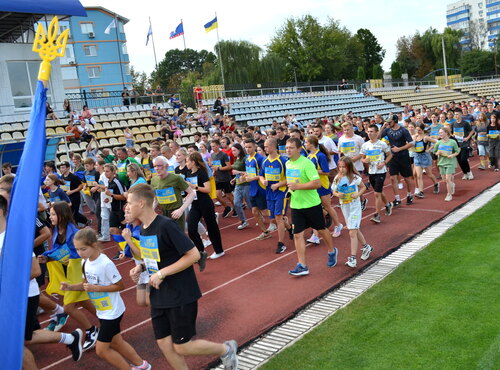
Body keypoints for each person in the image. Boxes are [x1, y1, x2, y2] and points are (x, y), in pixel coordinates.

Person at [127, 184, 238, 369]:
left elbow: (193, 255)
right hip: (159, 294)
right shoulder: (145, 229)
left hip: (180, 293)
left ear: (141, 202)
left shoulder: (165, 225)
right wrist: (141, 266)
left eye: (129, 203)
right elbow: (157, 257)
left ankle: (226, 350)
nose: (127, 207)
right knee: (163, 343)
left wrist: (162, 273)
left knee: (182, 347)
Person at [60, 229, 151, 370]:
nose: (80, 253)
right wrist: (70, 287)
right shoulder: (85, 263)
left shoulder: (105, 264)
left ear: (94, 245)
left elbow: (120, 285)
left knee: (101, 350)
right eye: (77, 249)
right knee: (116, 343)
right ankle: (142, 365)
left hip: (113, 312)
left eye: (83, 249)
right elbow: (86, 285)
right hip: (102, 310)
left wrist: (97, 289)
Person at [37, 202, 99, 351]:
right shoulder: (58, 229)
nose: (50, 217)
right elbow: (58, 249)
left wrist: (54, 256)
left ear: (62, 215)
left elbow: (75, 252)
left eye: (52, 214)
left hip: (76, 271)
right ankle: (107, 317)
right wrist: (47, 256)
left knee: (69, 307)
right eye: (50, 214)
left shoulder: (72, 231)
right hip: (68, 271)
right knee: (83, 299)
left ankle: (91, 330)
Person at [285, 138, 338, 276]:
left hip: (311, 204)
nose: (288, 150)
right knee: (297, 235)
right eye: (286, 147)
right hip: (296, 205)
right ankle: (302, 265)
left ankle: (332, 251)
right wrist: (290, 191)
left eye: (291, 147)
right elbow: (292, 182)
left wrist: (298, 187)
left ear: (299, 149)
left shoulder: (307, 164)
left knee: (321, 230)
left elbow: (317, 183)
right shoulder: (288, 164)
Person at [332, 157, 374, 268]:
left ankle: (353, 258)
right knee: (354, 229)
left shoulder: (355, 178)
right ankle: (366, 247)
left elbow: (363, 187)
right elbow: (334, 190)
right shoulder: (337, 178)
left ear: (349, 167)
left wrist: (357, 194)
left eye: (343, 167)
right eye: (339, 167)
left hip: (355, 207)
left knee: (352, 232)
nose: (341, 169)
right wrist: (337, 195)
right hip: (345, 206)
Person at [185, 152, 224, 262]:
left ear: (193, 162)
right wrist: (188, 194)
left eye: (187, 161)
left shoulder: (202, 173)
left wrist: (194, 186)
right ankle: (201, 252)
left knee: (212, 228)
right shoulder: (188, 173)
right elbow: (190, 190)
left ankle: (219, 250)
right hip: (195, 204)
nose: (186, 163)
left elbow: (207, 189)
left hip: (205, 203)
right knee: (191, 227)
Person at [304, 135, 343, 240]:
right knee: (316, 209)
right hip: (313, 185)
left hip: (323, 185)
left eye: (306, 142)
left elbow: (326, 171)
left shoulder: (320, 156)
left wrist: (313, 171)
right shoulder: (309, 156)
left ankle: (338, 225)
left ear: (312, 144)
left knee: (327, 207)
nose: (304, 144)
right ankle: (315, 235)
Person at [259, 138, 293, 254]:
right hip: (269, 192)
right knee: (273, 218)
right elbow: (261, 175)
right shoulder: (264, 161)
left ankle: (281, 244)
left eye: (267, 146)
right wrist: (263, 181)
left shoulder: (283, 161)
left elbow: (290, 178)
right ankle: (290, 228)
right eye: (264, 146)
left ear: (273, 147)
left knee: (278, 217)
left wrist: (278, 184)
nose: (265, 148)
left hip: (281, 192)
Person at [151, 156, 196, 232]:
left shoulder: (176, 178)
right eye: (155, 166)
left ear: (166, 166)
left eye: (159, 165)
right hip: (163, 214)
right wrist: (151, 210)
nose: (156, 168)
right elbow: (156, 199)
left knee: (178, 238)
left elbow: (192, 193)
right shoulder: (154, 180)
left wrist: (181, 210)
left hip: (176, 214)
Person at [360, 124, 393, 223]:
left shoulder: (382, 144)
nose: (369, 133)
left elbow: (389, 155)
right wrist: (365, 160)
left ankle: (377, 215)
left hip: (381, 172)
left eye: (371, 131)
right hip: (371, 171)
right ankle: (388, 204)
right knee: (378, 192)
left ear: (377, 132)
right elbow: (362, 158)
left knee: (376, 194)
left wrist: (384, 163)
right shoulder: (365, 145)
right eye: (368, 131)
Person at [380, 114, 415, 206]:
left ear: (395, 121)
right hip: (393, 157)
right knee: (392, 178)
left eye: (390, 121)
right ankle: (397, 198)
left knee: (406, 178)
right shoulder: (387, 130)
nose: (388, 123)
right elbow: (378, 137)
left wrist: (399, 149)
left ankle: (409, 195)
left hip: (403, 156)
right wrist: (383, 127)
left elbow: (411, 143)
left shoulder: (403, 130)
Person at [242, 139, 270, 240]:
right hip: (252, 189)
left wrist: (253, 178)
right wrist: (244, 176)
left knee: (265, 213)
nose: (248, 149)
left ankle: (283, 221)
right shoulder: (247, 159)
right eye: (246, 147)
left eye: (250, 147)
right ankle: (265, 232)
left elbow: (264, 174)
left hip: (260, 188)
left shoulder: (259, 159)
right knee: (254, 212)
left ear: (254, 147)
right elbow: (249, 172)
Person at [338, 122, 368, 210]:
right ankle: (349, 200)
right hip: (345, 166)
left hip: (357, 165)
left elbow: (363, 152)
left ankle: (363, 200)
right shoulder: (341, 139)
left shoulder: (358, 139)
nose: (346, 131)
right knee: (346, 183)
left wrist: (354, 158)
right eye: (344, 130)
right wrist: (341, 157)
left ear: (352, 129)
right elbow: (339, 150)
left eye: (348, 129)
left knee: (358, 184)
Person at [412, 123, 439, 198]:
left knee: (429, 174)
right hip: (417, 156)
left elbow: (436, 142)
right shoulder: (415, 137)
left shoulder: (425, 137)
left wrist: (429, 149)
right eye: (416, 130)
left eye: (419, 130)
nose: (418, 131)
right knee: (418, 176)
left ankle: (436, 184)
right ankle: (421, 191)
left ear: (423, 130)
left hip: (425, 157)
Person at [433, 127, 460, 201]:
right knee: (444, 180)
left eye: (441, 132)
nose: (440, 134)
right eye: (439, 133)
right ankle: (452, 184)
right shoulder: (438, 142)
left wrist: (452, 155)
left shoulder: (452, 142)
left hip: (450, 162)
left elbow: (457, 151)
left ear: (446, 133)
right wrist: (437, 153)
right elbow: (434, 152)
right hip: (441, 163)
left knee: (448, 179)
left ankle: (449, 194)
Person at [58, 161, 89, 226]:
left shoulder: (73, 177)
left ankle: (77, 227)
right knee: (72, 214)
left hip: (75, 198)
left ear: (68, 168)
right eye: (60, 168)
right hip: (67, 198)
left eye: (63, 168)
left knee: (73, 214)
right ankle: (86, 221)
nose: (61, 169)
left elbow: (80, 186)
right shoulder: (62, 177)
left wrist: (72, 191)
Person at [230, 143, 251, 230]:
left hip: (246, 184)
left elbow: (249, 172)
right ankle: (244, 221)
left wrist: (237, 172)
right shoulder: (237, 159)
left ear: (239, 150)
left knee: (250, 204)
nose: (233, 152)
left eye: (234, 150)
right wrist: (234, 179)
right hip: (238, 184)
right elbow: (238, 172)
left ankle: (259, 216)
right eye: (232, 151)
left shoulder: (245, 159)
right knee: (236, 203)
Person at [211, 139, 234, 218]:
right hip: (218, 178)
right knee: (217, 196)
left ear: (218, 146)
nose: (212, 148)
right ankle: (227, 207)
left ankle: (236, 208)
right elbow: (215, 166)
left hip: (225, 178)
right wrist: (214, 172)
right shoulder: (213, 155)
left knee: (229, 196)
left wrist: (219, 168)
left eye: (214, 146)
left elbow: (229, 166)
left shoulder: (223, 155)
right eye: (211, 147)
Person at [451, 111, 474, 180]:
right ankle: (465, 173)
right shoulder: (453, 124)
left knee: (463, 159)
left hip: (464, 144)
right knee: (459, 161)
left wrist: (467, 138)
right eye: (455, 114)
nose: (456, 115)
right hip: (457, 145)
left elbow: (472, 131)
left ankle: (469, 172)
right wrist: (454, 136)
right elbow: (451, 133)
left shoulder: (465, 123)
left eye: (457, 114)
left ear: (461, 115)